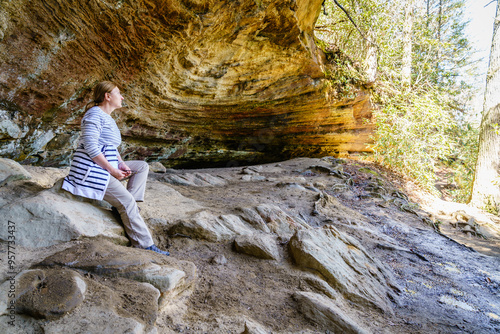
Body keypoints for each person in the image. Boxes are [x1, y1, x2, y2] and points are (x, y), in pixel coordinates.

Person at [62, 81, 169, 255]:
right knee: (126, 202)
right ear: (107, 96)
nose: (122, 97)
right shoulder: (94, 114)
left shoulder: (107, 117)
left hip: (106, 165)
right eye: (119, 93)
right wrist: (112, 171)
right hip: (90, 170)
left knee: (141, 167)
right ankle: (144, 245)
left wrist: (120, 163)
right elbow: (91, 147)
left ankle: (127, 208)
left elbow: (110, 147)